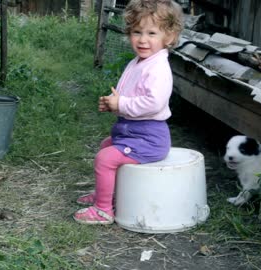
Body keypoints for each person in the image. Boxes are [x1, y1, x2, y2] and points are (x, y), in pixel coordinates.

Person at [73, 0, 183, 225]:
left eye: (152, 33)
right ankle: (107, 193)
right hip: (133, 132)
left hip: (149, 138)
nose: (143, 39)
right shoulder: (140, 62)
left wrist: (121, 104)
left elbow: (153, 103)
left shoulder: (158, 68)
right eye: (137, 32)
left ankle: (103, 210)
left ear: (169, 37)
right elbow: (131, 94)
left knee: (105, 158)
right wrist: (113, 103)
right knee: (107, 146)